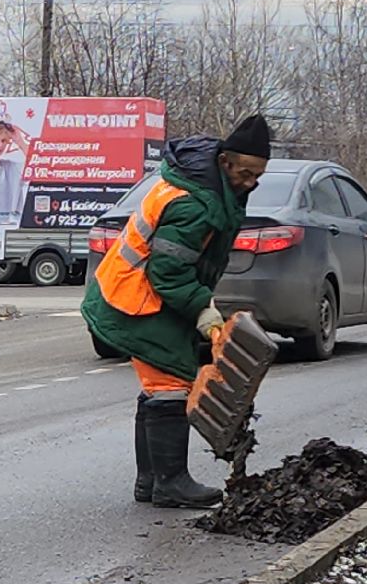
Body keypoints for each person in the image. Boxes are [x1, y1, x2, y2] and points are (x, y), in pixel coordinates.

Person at [82, 114, 271, 509]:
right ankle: (171, 482)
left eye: (258, 176)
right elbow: (168, 274)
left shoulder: (207, 187)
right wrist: (204, 312)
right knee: (170, 384)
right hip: (136, 295)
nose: (250, 182)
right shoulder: (192, 205)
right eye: (246, 173)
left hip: (134, 289)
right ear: (224, 162)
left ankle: (150, 480)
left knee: (157, 387)